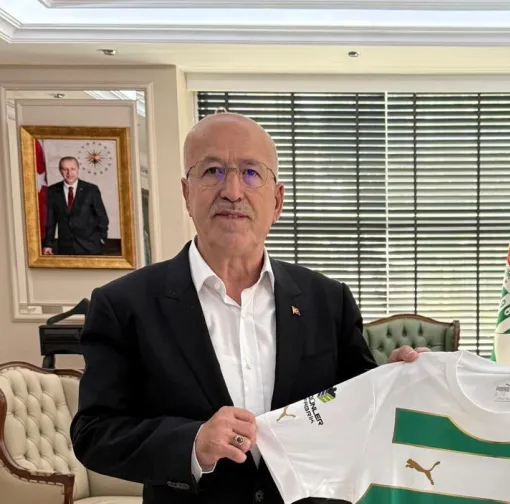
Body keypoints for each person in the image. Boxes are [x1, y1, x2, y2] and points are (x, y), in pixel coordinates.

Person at [70, 111, 426, 504]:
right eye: (213, 171)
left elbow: (358, 408)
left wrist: (397, 382)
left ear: (277, 200)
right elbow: (93, 432)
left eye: (251, 173)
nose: (233, 191)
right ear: (187, 193)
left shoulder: (328, 300)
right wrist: (191, 444)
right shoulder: (124, 304)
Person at [42, 156, 109, 255]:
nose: (69, 173)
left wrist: (101, 238)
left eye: (72, 169)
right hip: (65, 247)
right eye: (65, 169)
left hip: (90, 246)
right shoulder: (52, 191)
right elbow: (50, 221)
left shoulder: (91, 190)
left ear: (78, 169)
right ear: (60, 171)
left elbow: (102, 217)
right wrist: (48, 244)